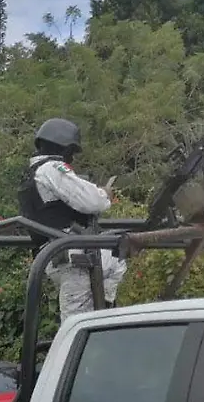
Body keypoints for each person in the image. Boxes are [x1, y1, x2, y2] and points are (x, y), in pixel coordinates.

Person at [17, 117, 127, 320]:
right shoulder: (51, 169)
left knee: (116, 256)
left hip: (58, 254)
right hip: (72, 256)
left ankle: (105, 306)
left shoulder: (31, 173)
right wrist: (104, 194)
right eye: (72, 151)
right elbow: (90, 201)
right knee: (77, 323)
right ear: (63, 147)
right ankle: (106, 309)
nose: (72, 158)